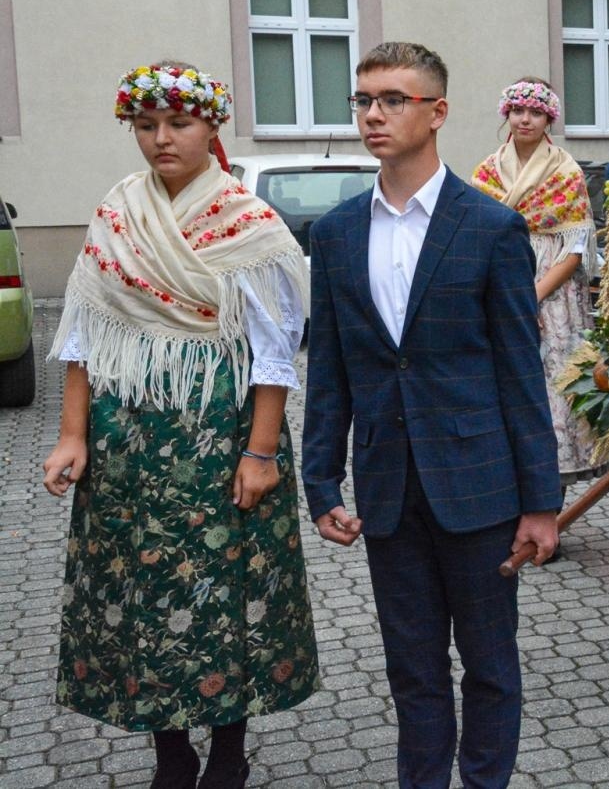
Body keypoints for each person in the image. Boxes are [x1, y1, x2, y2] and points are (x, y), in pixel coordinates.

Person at [42, 61, 318, 789]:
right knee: (141, 594)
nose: (161, 139)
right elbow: (84, 334)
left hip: (220, 439)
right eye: (146, 125)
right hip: (128, 440)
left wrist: (260, 453)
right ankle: (170, 751)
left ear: (211, 126)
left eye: (179, 123)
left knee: (224, 594)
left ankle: (230, 745)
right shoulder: (117, 212)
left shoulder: (247, 223)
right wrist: (73, 435)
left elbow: (272, 356)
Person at [300, 42, 561, 789]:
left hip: (478, 488)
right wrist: (321, 482)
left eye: (393, 99)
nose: (374, 114)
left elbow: (521, 375)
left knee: (489, 667)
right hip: (387, 490)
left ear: (437, 111)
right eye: (364, 101)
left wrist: (541, 503)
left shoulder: (490, 228)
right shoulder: (337, 234)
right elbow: (334, 372)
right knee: (412, 670)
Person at [471, 79, 600, 485]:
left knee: (552, 389)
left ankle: (552, 495)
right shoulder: (487, 172)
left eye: (536, 112)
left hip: (553, 291)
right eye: (518, 110)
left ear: (549, 119)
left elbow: (575, 250)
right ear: (506, 114)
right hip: (498, 285)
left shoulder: (566, 172)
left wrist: (531, 298)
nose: (525, 119)